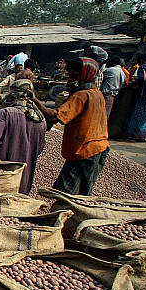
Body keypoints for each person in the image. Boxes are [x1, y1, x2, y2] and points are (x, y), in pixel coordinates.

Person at [31, 57, 109, 196]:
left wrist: (34, 99)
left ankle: (68, 214)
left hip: (85, 149)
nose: (70, 80)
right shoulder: (96, 93)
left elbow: (55, 116)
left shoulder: (81, 96)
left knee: (68, 192)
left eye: (74, 76)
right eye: (69, 75)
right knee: (83, 191)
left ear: (86, 75)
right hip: (97, 147)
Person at [0, 79, 47, 194]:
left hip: (2, 171)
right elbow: (40, 148)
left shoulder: (5, 113)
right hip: (24, 175)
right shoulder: (40, 120)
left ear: (12, 94)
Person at [121, 53, 146, 142]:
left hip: (143, 94)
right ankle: (143, 135)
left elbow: (142, 79)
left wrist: (133, 83)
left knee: (137, 115)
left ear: (142, 60)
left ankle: (135, 135)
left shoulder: (143, 67)